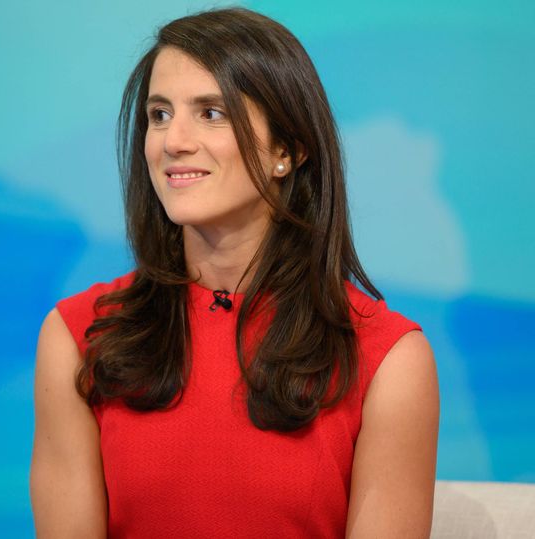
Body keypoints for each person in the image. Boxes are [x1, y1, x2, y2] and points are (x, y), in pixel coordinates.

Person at [30, 7, 439, 538]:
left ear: (287, 151)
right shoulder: (78, 335)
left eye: (211, 112)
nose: (172, 140)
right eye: (159, 114)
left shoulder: (387, 359)